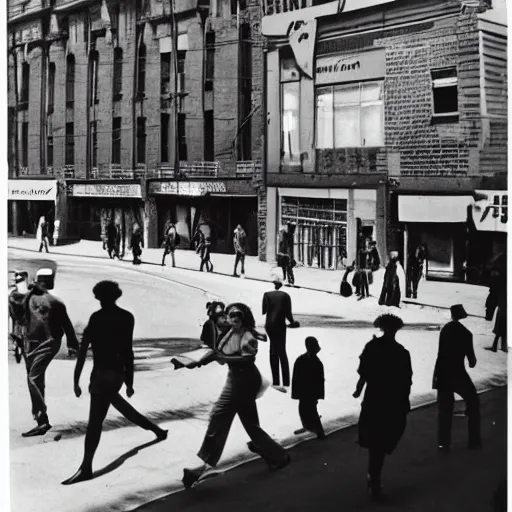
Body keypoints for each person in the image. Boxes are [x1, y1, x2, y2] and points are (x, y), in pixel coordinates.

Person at [62, 281, 167, 485]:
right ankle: (157, 431)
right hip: (117, 374)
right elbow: (128, 351)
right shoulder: (127, 317)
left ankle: (86, 467)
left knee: (95, 422)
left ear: (98, 297)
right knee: (120, 405)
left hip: (101, 375)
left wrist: (76, 380)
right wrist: (129, 381)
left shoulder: (96, 318)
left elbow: (83, 351)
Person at [182, 302, 290, 489]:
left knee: (232, 420)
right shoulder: (230, 333)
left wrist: (225, 359)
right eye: (231, 316)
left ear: (244, 318)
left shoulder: (247, 335)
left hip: (244, 380)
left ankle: (201, 467)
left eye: (238, 316)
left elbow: (248, 358)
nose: (234, 319)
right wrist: (193, 362)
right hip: (236, 379)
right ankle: (274, 454)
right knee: (232, 419)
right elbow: (217, 354)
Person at [11, 273, 79, 437]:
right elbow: (18, 315)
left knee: (34, 378)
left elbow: (67, 325)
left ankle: (42, 421)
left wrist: (72, 344)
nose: (40, 284)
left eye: (44, 282)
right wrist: (18, 342)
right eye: (39, 281)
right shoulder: (27, 298)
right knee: (34, 379)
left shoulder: (55, 302)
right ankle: (41, 420)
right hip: (30, 343)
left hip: (49, 342)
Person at [353, 314, 412, 501]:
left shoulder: (372, 347)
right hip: (392, 401)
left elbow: (363, 372)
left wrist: (358, 389)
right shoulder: (402, 352)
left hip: (374, 398)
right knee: (385, 439)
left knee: (375, 442)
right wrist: (404, 400)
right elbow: (406, 381)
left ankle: (374, 476)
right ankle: (375, 479)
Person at [433, 304, 481, 451]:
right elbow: (471, 361)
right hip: (458, 373)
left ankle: (443, 443)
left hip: (442, 374)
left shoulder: (445, 330)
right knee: (473, 402)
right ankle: (474, 440)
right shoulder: (466, 334)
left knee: (445, 410)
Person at [262, 276, 299, 392]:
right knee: (282, 352)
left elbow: (264, 310)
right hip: (280, 325)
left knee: (273, 351)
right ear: (281, 285)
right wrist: (293, 323)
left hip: (269, 325)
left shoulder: (266, 294)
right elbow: (288, 314)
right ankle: (286, 380)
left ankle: (276, 380)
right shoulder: (286, 296)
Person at [291, 337, 325, 440]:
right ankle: (311, 428)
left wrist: (296, 393)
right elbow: (320, 381)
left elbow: (296, 378)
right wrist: (319, 395)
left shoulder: (302, 360)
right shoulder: (315, 361)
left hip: (307, 392)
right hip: (308, 392)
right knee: (308, 410)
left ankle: (318, 431)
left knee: (308, 411)